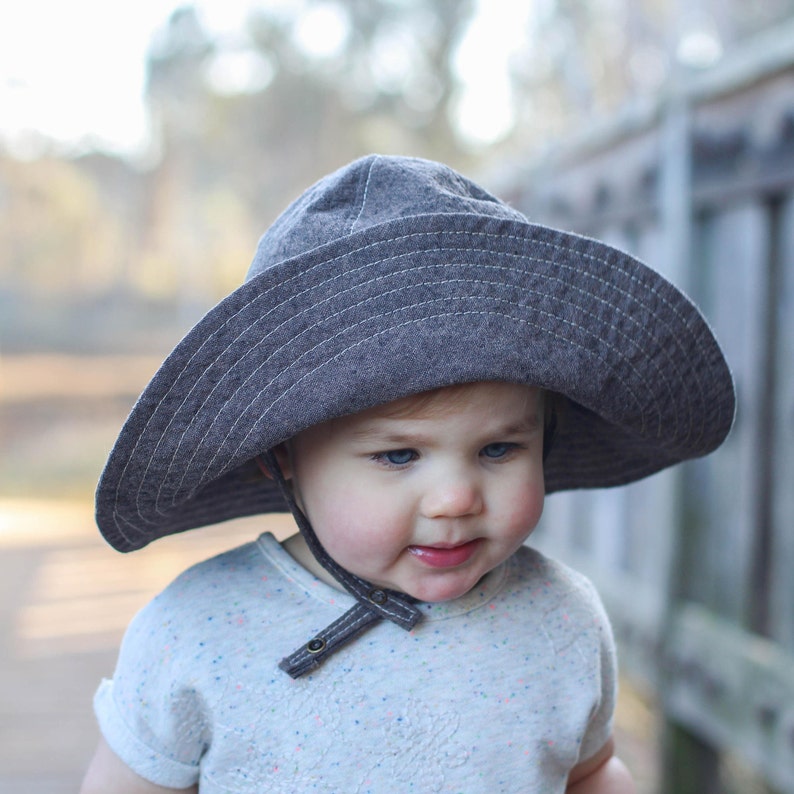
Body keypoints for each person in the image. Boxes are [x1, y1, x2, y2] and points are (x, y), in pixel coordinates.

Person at [80, 154, 735, 793]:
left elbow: (591, 771)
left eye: (499, 449)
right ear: (282, 454)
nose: (455, 498)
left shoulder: (562, 619)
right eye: (399, 456)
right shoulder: (197, 631)